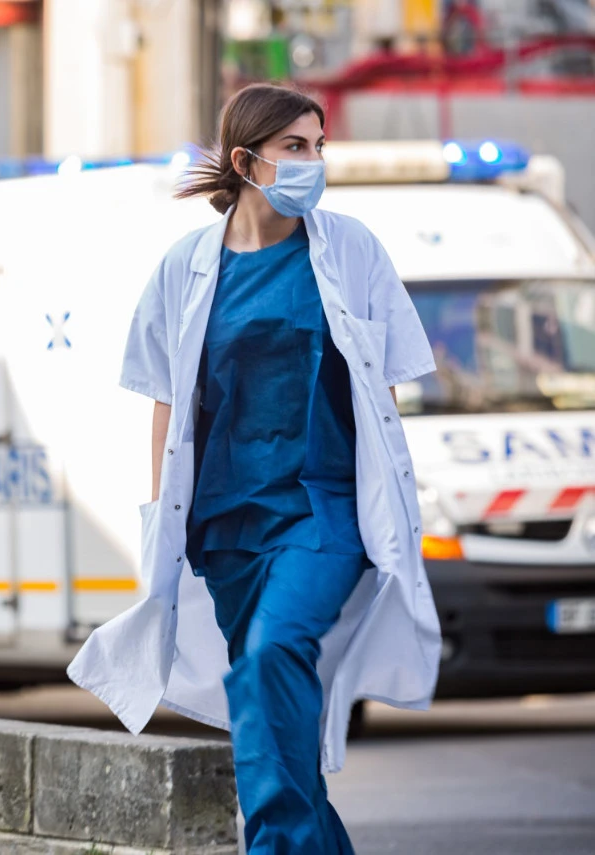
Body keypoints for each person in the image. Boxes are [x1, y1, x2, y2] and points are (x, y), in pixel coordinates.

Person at [68, 83, 441, 854]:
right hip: (228, 521)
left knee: (273, 654)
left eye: (319, 146)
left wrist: (398, 502)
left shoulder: (350, 248)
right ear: (246, 161)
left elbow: (385, 382)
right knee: (270, 710)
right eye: (295, 148)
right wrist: (155, 516)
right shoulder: (186, 266)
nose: (314, 162)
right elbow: (167, 400)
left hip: (326, 510)